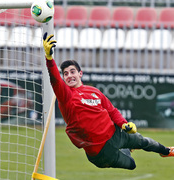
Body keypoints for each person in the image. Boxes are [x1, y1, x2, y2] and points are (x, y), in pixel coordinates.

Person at [42, 32, 174, 170]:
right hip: (101, 152)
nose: (69, 75)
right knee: (132, 165)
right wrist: (49, 58)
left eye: (72, 71)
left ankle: (166, 151)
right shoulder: (66, 95)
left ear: (80, 73)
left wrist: (124, 124)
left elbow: (111, 110)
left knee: (143, 141)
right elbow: (54, 79)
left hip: (116, 133)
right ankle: (128, 149)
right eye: (65, 73)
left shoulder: (94, 91)